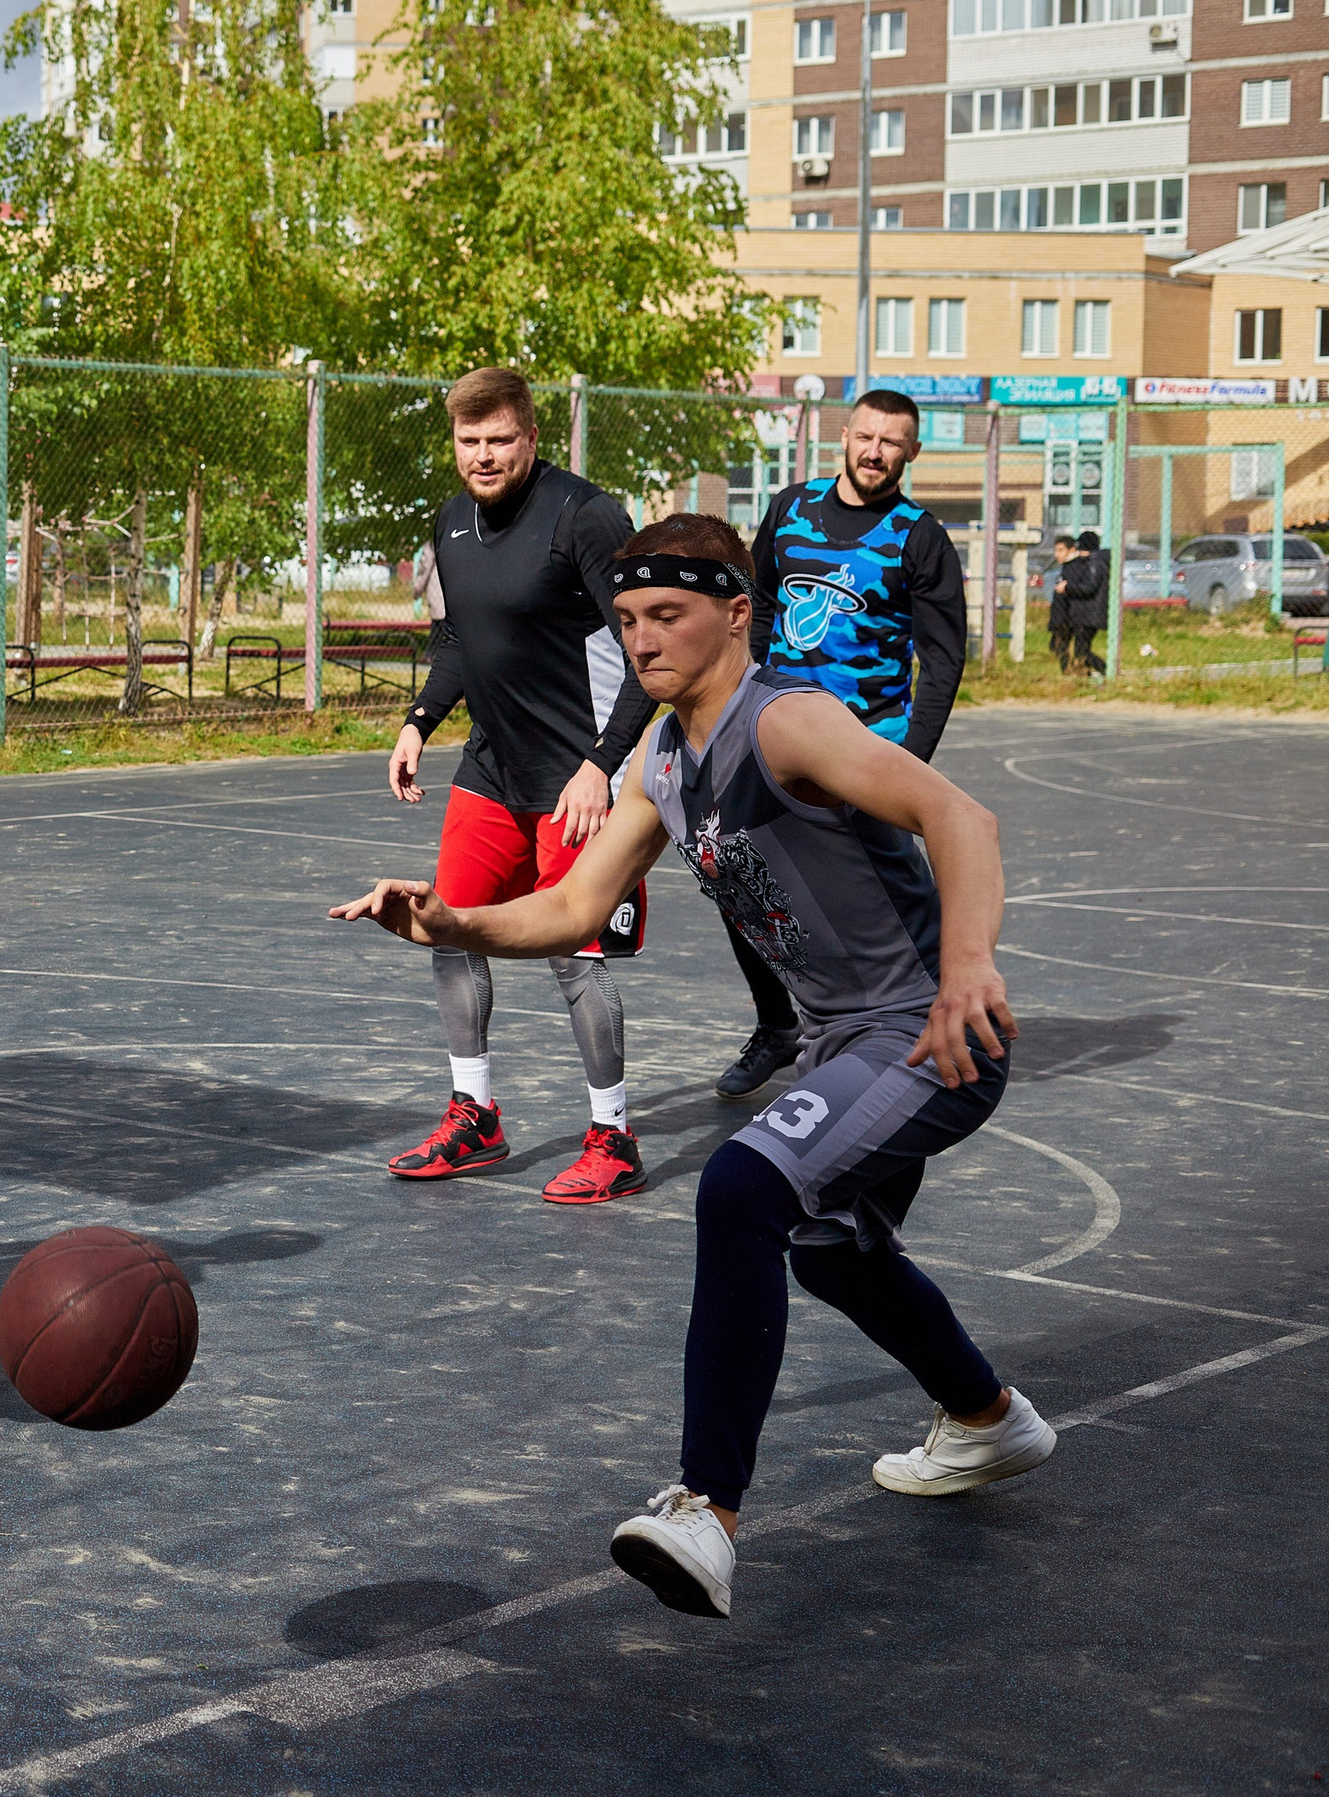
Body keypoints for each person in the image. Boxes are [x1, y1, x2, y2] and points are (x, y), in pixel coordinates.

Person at [334, 512, 1054, 1620]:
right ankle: (985, 1417)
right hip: (845, 1045)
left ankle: (707, 1513)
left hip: (924, 1032)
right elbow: (576, 905)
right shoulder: (662, 761)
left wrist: (966, 968)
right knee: (829, 1249)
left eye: (666, 614)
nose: (643, 640)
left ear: (735, 613)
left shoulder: (789, 722)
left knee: (742, 1186)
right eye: (624, 621)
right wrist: (445, 925)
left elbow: (959, 814)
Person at [383, 367, 656, 1205]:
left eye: (500, 439)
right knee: (449, 929)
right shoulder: (450, 521)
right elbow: (458, 639)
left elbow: (650, 648)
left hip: (576, 778)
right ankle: (475, 1115)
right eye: (469, 441)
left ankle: (614, 1135)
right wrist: (419, 720)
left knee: (572, 958)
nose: (484, 455)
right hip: (492, 769)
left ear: (533, 438)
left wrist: (600, 767)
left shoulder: (586, 516)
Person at [715, 388, 969, 1102]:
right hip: (779, 737)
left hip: (868, 745)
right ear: (844, 435)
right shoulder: (790, 509)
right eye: (866, 435)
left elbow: (943, 659)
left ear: (912, 453)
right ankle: (777, 1026)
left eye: (892, 442)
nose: (875, 451)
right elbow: (755, 602)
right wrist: (747, 688)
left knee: (890, 893)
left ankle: (928, 1021)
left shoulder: (918, 536)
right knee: (740, 878)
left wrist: (908, 761)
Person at [1061, 529, 1109, 675]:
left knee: (1082, 651)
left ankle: (1106, 670)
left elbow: (1089, 587)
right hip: (1087, 613)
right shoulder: (1094, 562)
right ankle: (1088, 674)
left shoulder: (1093, 563)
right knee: (1081, 650)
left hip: (1089, 614)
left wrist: (1068, 587)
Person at [1045, 534, 1080, 673]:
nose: (1057, 554)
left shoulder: (1074, 568)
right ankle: (1069, 669)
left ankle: (1071, 670)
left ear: (1071, 550)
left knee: (1061, 646)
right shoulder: (1065, 568)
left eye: (1060, 550)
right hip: (1060, 616)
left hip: (1068, 617)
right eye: (1056, 550)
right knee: (1056, 646)